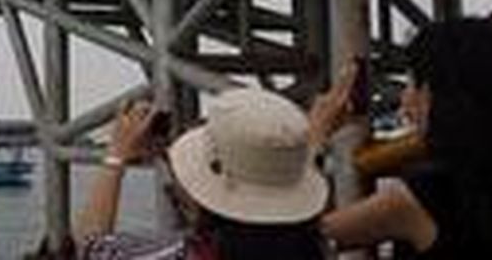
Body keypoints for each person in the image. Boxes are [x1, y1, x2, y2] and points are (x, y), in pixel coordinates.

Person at [311, 17, 492, 258]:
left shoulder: (419, 199)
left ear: (436, 96)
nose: (405, 102)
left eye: (411, 84)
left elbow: (297, 236)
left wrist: (315, 136)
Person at [77, 88, 328, 259]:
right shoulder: (315, 247)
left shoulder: (182, 255)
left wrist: (116, 154)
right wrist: (306, 146)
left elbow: (92, 246)